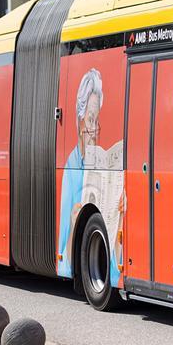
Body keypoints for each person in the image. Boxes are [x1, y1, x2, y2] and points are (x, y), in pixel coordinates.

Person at [58, 68, 103, 278]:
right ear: (79, 120)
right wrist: (74, 225)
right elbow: (62, 256)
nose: (94, 129)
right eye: (90, 119)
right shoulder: (71, 169)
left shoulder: (98, 163)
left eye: (97, 120)